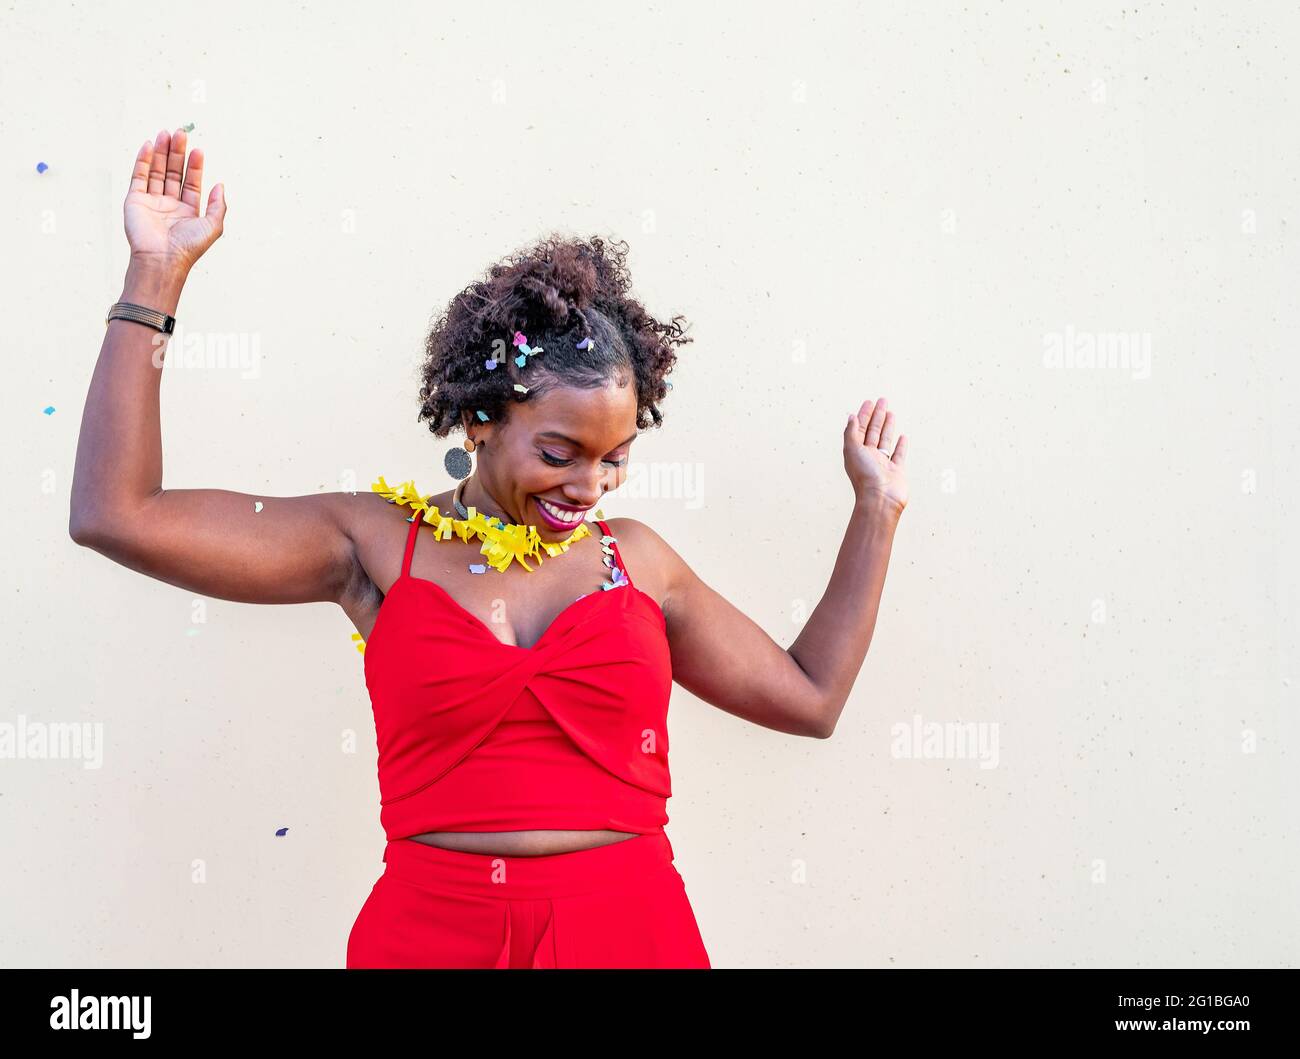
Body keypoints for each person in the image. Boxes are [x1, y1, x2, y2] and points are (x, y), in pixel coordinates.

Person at [70, 127, 910, 968]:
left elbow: (811, 697)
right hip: (431, 937)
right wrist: (156, 274)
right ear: (478, 419)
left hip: (629, 933)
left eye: (614, 458)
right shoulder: (372, 543)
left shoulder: (639, 563)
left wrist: (877, 509)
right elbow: (118, 513)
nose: (589, 488)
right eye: (558, 453)